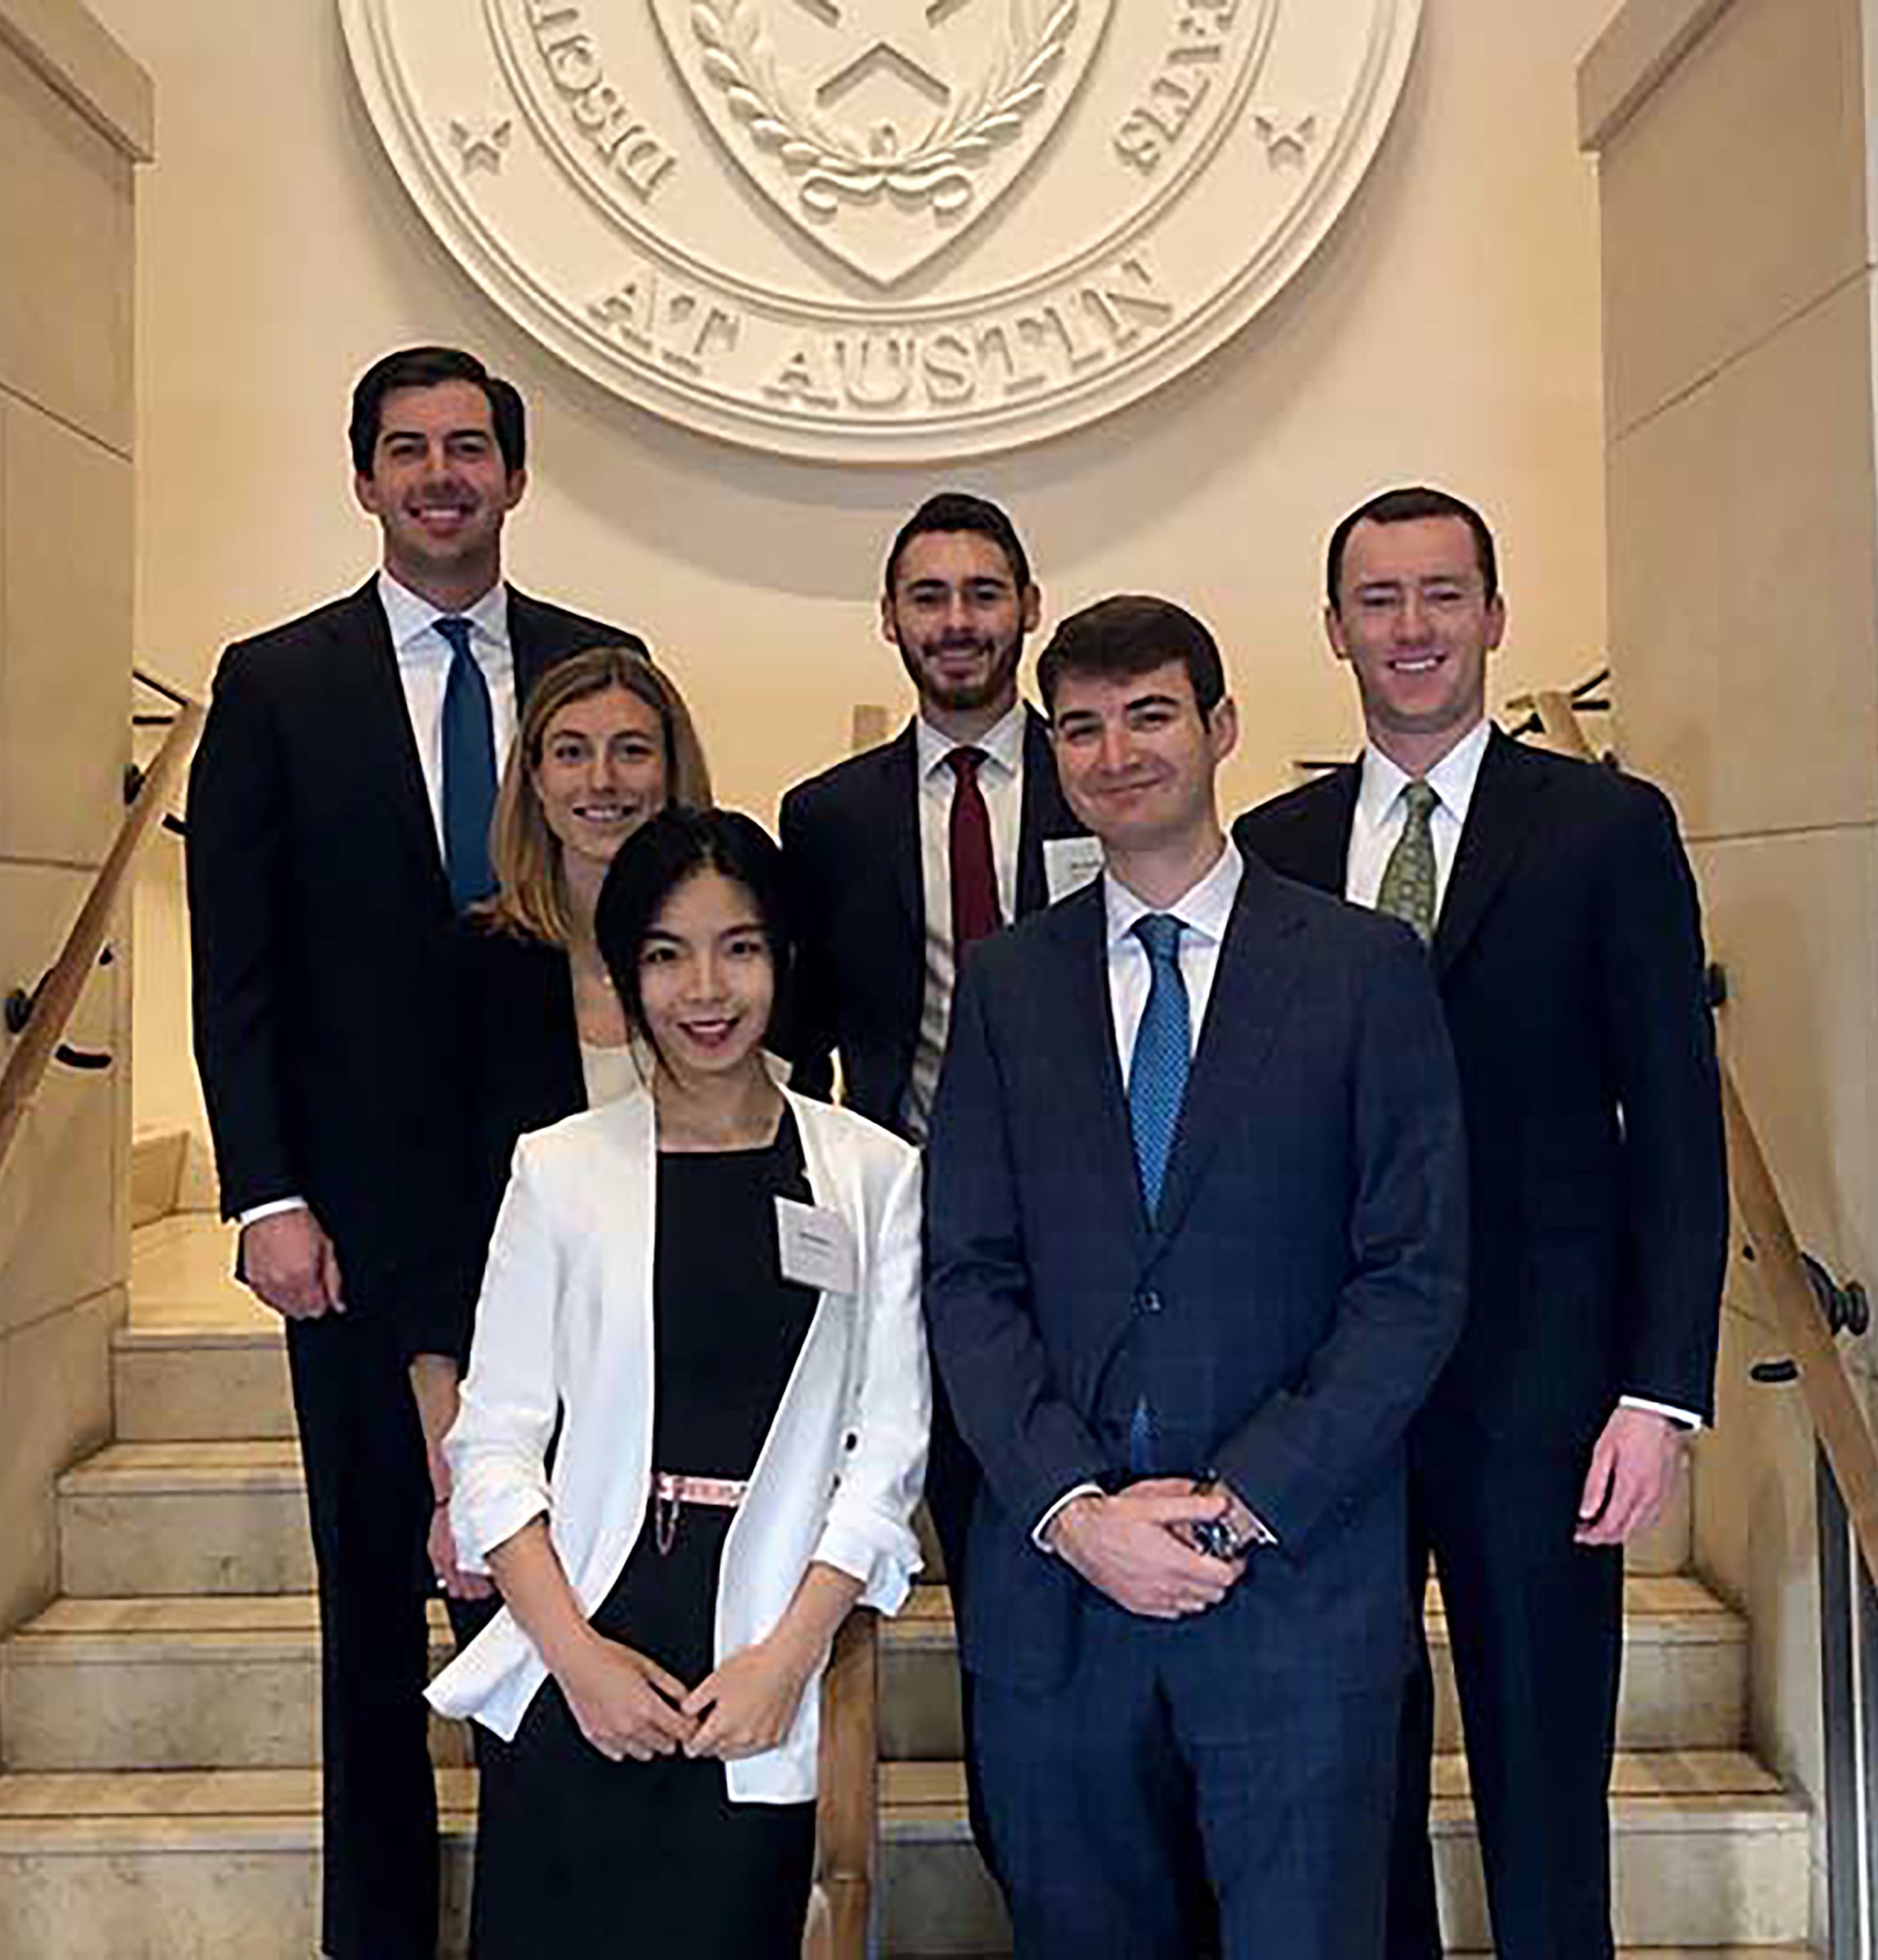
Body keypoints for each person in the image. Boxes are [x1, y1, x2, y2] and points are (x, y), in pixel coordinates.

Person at [925, 595, 1468, 1958]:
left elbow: (1412, 1276)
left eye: (1151, 714)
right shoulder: (1005, 984)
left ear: (1220, 727)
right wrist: (1073, 1508)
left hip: (1295, 1595)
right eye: (1084, 728)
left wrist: (1249, 1498)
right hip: (1065, 1600)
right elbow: (967, 1277)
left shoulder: (1363, 970)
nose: (1118, 754)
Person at [185, 345, 640, 1958]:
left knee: (550, 1585)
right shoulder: (276, 680)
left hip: (574, 1206)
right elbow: (234, 962)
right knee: (379, 1596)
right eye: (407, 448)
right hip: (360, 1224)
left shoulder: (604, 670)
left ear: (515, 477)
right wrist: (265, 1190)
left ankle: (545, 1912)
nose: (440, 473)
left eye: (469, 448)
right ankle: (374, 1933)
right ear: (363, 477)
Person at [1234, 485, 1728, 1959]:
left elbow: (1679, 1125)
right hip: (1331, 1394)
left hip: (1544, 1388)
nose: (1412, 628)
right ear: (1334, 629)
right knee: (1350, 1767)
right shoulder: (1271, 841)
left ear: (1496, 618)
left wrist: (1660, 1390)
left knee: (1541, 1767)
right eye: (1379, 600)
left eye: (1443, 595)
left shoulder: (1605, 827)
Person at [426, 809, 931, 1960]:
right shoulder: (558, 1168)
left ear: (783, 959)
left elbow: (887, 1451)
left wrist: (786, 1658)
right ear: (626, 972)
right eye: (666, 954)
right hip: (583, 1642)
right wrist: (575, 1657)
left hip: (756, 1657)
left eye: (739, 948)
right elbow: (494, 1441)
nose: (707, 989)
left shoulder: (872, 1175)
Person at [778, 491, 1090, 1606]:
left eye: (983, 593)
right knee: (938, 1509)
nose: (957, 620)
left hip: (1088, 1219)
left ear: (1030, 608)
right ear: (889, 618)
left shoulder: (1105, 785)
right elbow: (797, 1041)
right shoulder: (824, 818)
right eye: (930, 596)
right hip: (903, 1217)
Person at [411, 643, 714, 1608]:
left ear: (672, 772)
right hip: (531, 1435)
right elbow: (436, 1253)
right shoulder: (470, 969)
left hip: (715, 1424)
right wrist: (457, 1477)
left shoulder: (744, 961)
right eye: (572, 752)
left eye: (632, 750)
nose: (603, 780)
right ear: (532, 781)